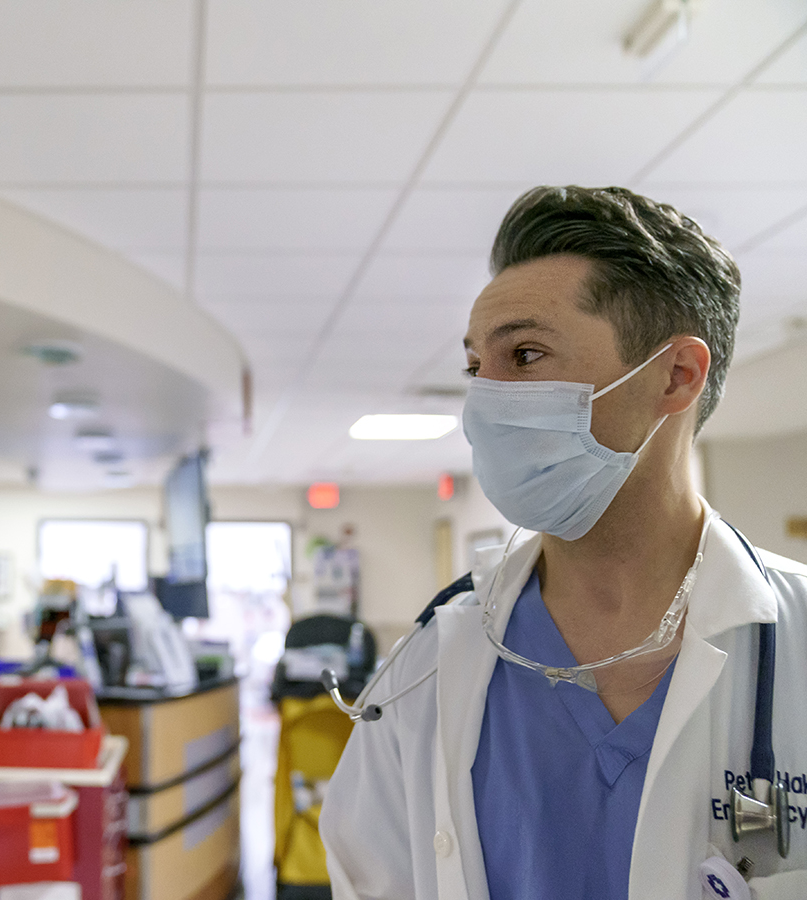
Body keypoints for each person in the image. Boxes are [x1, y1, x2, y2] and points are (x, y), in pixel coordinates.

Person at [318, 185, 807, 900]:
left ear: (675, 376)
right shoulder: (424, 671)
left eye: (524, 354)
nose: (482, 401)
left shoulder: (794, 646)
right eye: (474, 367)